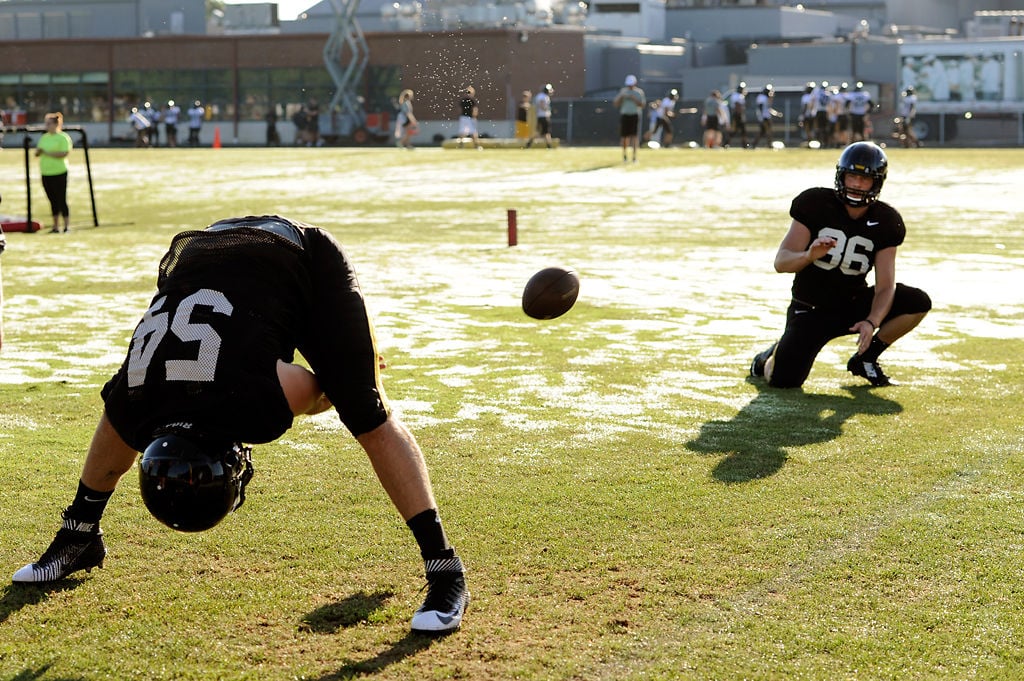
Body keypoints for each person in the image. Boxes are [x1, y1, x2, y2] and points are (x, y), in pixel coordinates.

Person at [10, 215, 470, 634]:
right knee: (124, 407)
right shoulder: (136, 404)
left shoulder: (249, 400)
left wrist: (351, 376)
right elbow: (117, 420)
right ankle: (78, 534)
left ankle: (445, 568)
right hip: (205, 248)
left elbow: (318, 393)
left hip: (302, 258)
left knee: (367, 414)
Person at [749, 142, 931, 389]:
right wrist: (809, 255)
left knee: (917, 301)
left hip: (851, 306)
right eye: (852, 176)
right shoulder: (815, 203)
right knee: (783, 381)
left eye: (864, 179)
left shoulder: (886, 221)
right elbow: (781, 263)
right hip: (809, 310)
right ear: (840, 176)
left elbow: (886, 286)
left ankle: (866, 358)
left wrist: (872, 321)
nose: (856, 184)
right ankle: (770, 356)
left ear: (877, 182)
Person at [35, 112, 73, 234]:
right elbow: (37, 152)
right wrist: (39, 152)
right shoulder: (44, 137)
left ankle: (66, 226)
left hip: (59, 172)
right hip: (46, 172)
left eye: (49, 123)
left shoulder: (63, 137)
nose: (46, 126)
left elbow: (64, 153)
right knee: (52, 200)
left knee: (61, 199)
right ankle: (55, 226)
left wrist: (47, 153)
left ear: (56, 124)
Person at [613, 75, 645, 163]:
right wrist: (621, 97)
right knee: (624, 137)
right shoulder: (623, 91)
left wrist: (633, 99)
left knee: (634, 136)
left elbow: (642, 105)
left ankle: (634, 157)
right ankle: (624, 156)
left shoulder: (639, 92)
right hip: (625, 115)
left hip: (634, 115)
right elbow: (616, 104)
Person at [526, 84, 554, 149]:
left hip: (541, 116)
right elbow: (542, 106)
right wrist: (548, 109)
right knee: (546, 132)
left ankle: (529, 143)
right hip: (543, 116)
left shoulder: (541, 96)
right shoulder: (543, 96)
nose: (551, 91)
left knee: (540, 132)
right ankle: (549, 146)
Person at [728, 84, 747, 148]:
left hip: (737, 114)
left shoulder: (738, 95)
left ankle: (744, 144)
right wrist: (740, 114)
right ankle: (726, 143)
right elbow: (737, 106)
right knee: (737, 130)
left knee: (740, 130)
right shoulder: (737, 96)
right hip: (737, 115)